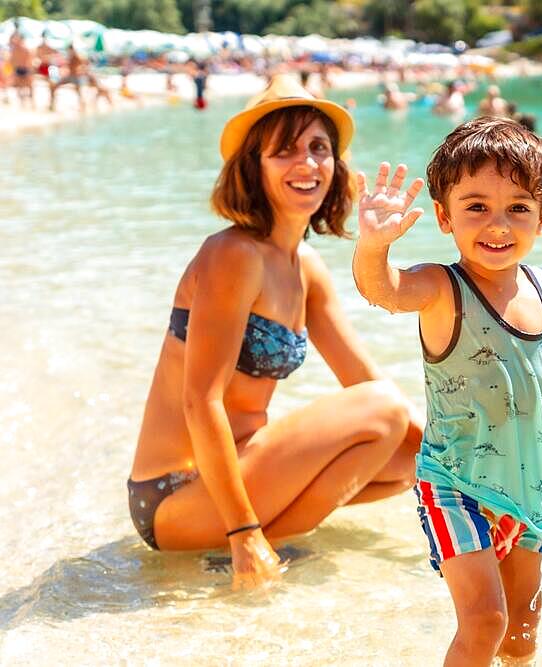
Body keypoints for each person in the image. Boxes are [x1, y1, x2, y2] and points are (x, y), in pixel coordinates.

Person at [352, 117, 542, 666]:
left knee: (521, 631)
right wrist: (373, 247)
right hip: (455, 482)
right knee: (485, 621)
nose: (498, 224)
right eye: (476, 207)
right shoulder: (443, 287)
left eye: (518, 207)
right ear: (443, 217)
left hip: (532, 488)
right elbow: (386, 292)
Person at [128, 74, 422, 591]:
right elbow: (201, 400)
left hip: (243, 470)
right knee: (386, 409)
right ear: (254, 167)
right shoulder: (232, 255)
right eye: (284, 151)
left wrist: (469, 476)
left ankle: (272, 543)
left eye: (318, 148)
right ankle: (248, 543)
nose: (307, 163)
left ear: (336, 164)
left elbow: (363, 378)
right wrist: (242, 531)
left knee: (411, 460)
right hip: (176, 495)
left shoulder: (305, 268)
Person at [9, 30, 34, 110]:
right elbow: (12, 61)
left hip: (25, 68)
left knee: (28, 86)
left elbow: (29, 60)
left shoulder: (25, 49)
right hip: (19, 69)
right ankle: (23, 103)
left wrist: (29, 70)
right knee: (20, 86)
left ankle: (31, 102)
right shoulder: (15, 50)